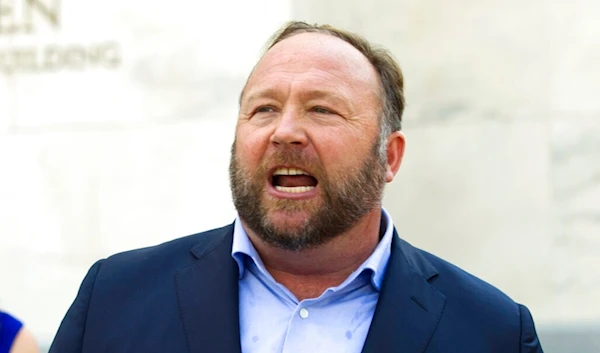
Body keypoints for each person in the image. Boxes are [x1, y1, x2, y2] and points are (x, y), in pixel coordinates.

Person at [49, 21, 544, 352]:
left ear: (389, 157)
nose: (284, 131)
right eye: (263, 108)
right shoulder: (113, 300)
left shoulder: (493, 331)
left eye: (322, 109)